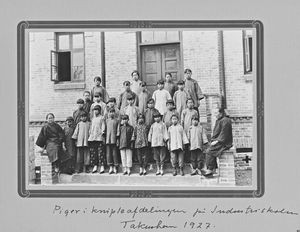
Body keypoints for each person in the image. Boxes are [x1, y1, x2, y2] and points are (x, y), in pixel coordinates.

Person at [203, 107, 233, 177]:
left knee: (209, 151)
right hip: (219, 140)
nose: (215, 115)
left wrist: (216, 141)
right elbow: (216, 132)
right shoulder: (219, 120)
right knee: (210, 148)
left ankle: (210, 169)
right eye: (214, 113)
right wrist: (213, 141)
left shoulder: (226, 120)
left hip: (224, 142)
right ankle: (213, 169)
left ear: (221, 113)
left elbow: (224, 134)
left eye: (216, 113)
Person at [88, 105, 106, 174]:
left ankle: (102, 166)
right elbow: (90, 128)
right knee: (93, 153)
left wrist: (102, 133)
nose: (95, 111)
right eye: (94, 110)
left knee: (100, 152)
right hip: (92, 138)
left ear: (99, 111)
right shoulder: (92, 119)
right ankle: (95, 166)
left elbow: (103, 127)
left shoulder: (102, 118)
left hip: (99, 138)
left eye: (97, 110)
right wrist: (90, 134)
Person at [105, 108, 119, 174]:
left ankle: (115, 166)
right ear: (108, 113)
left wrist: (117, 138)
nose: (111, 113)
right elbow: (104, 130)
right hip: (108, 139)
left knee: (114, 153)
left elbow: (118, 130)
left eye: (113, 112)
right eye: (110, 112)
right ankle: (110, 167)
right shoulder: (106, 121)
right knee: (109, 153)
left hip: (114, 139)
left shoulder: (117, 121)